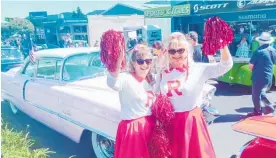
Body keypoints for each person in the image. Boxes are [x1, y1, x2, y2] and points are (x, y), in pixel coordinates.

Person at [154, 32, 233, 158]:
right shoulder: (163, 72)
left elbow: (226, 65)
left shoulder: (198, 69)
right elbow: (155, 93)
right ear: (167, 53)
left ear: (187, 51)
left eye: (180, 50)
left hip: (190, 123)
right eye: (172, 51)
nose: (176, 54)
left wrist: (223, 45)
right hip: (170, 123)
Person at [107, 44, 155, 158]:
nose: (145, 64)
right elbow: (112, 83)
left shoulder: (151, 79)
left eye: (148, 61)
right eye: (140, 61)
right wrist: (117, 60)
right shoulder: (126, 78)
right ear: (133, 63)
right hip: (134, 131)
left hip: (150, 128)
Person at [247, 32, 276, 117]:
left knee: (256, 95)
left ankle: (257, 112)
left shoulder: (258, 51)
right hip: (269, 76)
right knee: (261, 92)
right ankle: (270, 107)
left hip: (259, 76)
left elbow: (250, 66)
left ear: (260, 42)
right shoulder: (273, 50)